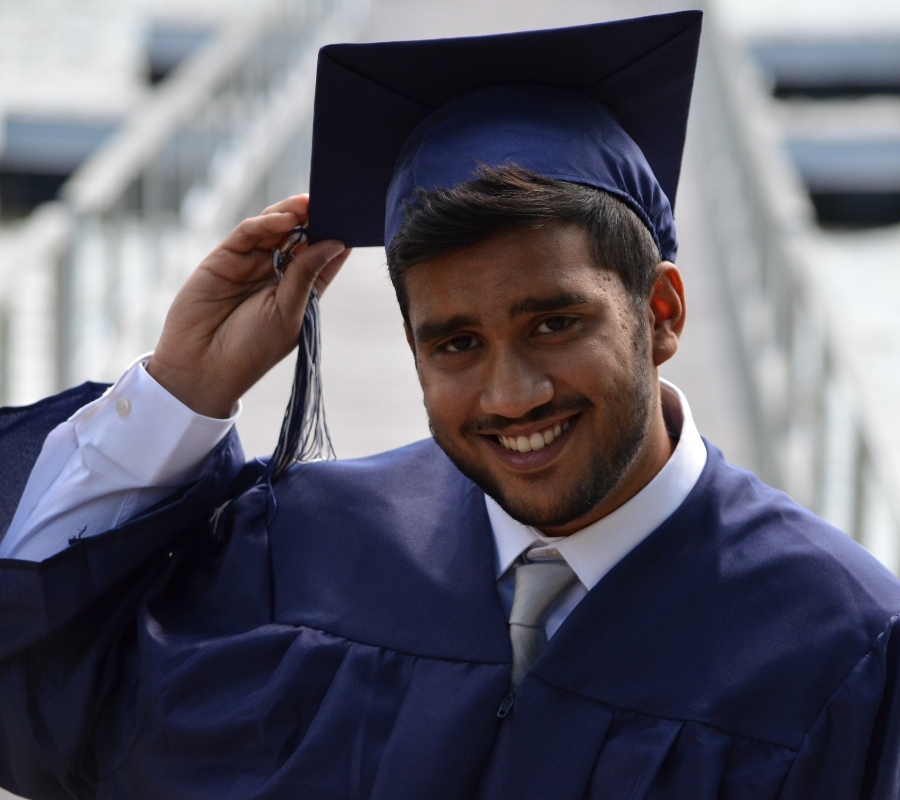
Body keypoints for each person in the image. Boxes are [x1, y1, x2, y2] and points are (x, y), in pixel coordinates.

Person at [1, 11, 899, 800]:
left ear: (660, 312)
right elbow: (54, 698)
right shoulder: (306, 553)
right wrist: (179, 393)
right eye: (456, 344)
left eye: (554, 322)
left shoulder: (841, 646)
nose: (511, 395)